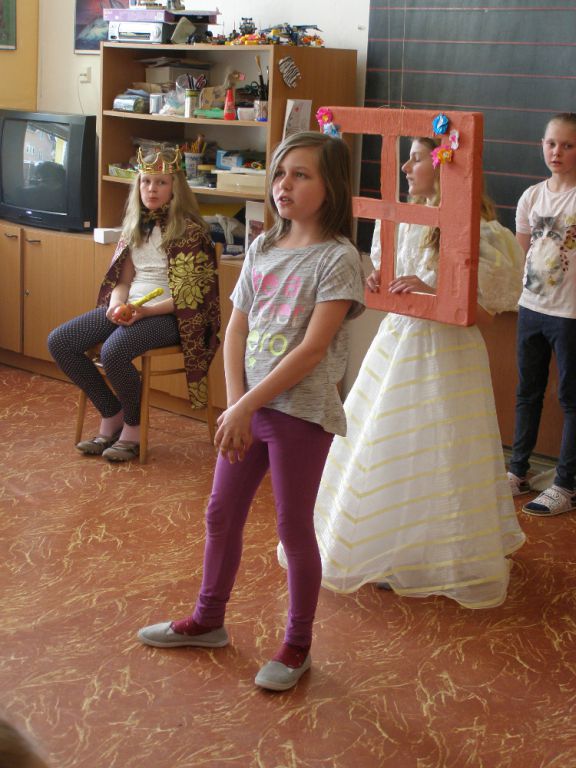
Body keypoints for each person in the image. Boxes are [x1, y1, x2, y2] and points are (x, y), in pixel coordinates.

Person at [137, 131, 365, 691]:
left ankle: (297, 645)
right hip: (249, 409)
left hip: (300, 414)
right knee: (221, 513)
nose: (283, 184)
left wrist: (247, 404)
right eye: (280, 173)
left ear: (332, 186)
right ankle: (208, 620)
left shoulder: (338, 258)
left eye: (301, 175)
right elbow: (237, 328)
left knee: (292, 529)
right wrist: (237, 404)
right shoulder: (263, 246)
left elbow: (312, 350)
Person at [302, 136, 526, 608]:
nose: (405, 167)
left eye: (417, 158)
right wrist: (378, 281)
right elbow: (391, 284)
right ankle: (384, 544)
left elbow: (485, 313)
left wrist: (434, 291)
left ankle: (435, 553)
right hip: (397, 345)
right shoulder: (404, 220)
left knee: (439, 444)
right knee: (388, 439)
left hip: (447, 354)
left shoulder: (481, 232)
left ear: (446, 166)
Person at [47, 147, 220, 462]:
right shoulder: (135, 227)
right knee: (61, 341)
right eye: (146, 182)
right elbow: (123, 281)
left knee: (114, 351)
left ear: (175, 188)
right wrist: (116, 305)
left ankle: (133, 426)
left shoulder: (191, 233)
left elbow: (189, 297)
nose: (151, 189)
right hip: (132, 308)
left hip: (172, 316)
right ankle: (111, 412)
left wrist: (146, 311)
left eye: (161, 182)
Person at [507, 113, 576, 516]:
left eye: (568, 145)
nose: (557, 152)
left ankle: (566, 484)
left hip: (570, 314)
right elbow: (520, 252)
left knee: (571, 397)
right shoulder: (531, 197)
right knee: (527, 392)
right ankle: (518, 470)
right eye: (551, 143)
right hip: (531, 308)